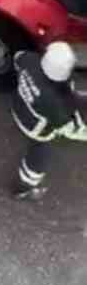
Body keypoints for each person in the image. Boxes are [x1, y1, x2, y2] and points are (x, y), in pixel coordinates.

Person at [11, 40, 87, 200]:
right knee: (38, 157)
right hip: (37, 129)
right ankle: (24, 187)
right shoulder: (56, 102)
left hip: (20, 105)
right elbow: (65, 123)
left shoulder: (29, 60)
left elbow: (18, 58)